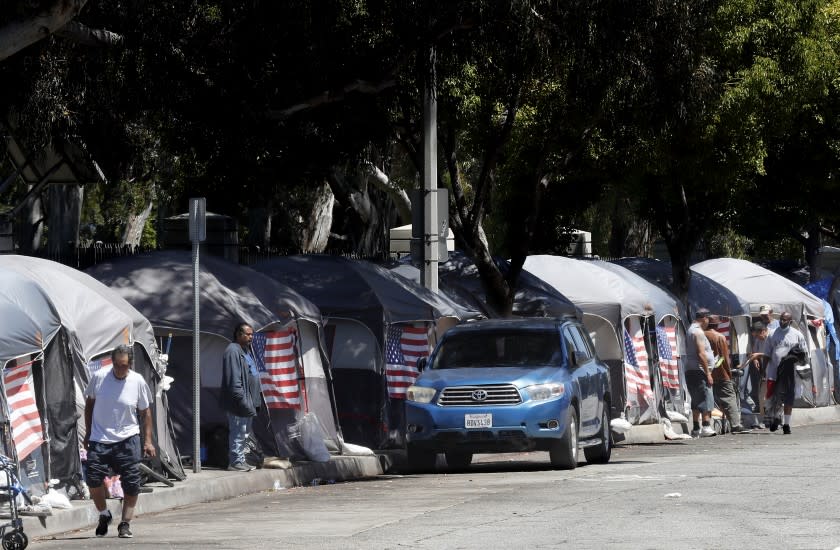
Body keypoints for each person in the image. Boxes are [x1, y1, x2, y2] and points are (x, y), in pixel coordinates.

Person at [84, 344, 156, 539]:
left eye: (124, 366)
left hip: (128, 438)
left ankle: (125, 523)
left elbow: (145, 412)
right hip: (100, 438)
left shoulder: (137, 381)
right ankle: (104, 514)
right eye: (116, 365)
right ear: (112, 362)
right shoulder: (99, 377)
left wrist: (148, 441)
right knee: (92, 478)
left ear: (130, 364)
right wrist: (88, 432)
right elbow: (89, 405)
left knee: (132, 483)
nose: (119, 369)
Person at [220, 322, 262, 471]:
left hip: (248, 401)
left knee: (244, 433)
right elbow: (234, 380)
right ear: (239, 334)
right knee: (238, 431)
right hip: (238, 402)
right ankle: (235, 462)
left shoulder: (245, 350)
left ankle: (241, 460)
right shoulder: (233, 350)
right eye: (248, 334)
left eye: (252, 334)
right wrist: (242, 400)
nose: (251, 337)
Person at [705, 316, 750, 433]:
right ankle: (735, 424)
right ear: (717, 325)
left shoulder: (701, 335)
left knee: (708, 399)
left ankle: (706, 425)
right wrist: (727, 372)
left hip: (704, 372)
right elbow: (723, 358)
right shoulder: (719, 337)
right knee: (729, 398)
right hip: (720, 372)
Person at [766, 311, 808, 434]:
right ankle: (776, 418)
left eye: (785, 320)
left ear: (790, 321)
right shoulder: (772, 334)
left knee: (789, 398)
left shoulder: (797, 335)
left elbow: (804, 354)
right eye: (781, 319)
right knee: (776, 397)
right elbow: (767, 354)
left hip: (791, 373)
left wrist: (801, 364)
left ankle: (786, 425)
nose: (782, 322)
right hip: (775, 371)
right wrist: (764, 370)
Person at [685, 308, 717, 437]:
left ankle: (696, 428)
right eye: (708, 319)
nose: (709, 321)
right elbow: (701, 353)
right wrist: (708, 373)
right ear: (704, 318)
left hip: (691, 369)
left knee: (696, 399)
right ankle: (705, 426)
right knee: (705, 397)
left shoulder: (690, 329)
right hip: (699, 370)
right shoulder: (698, 332)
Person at [745, 321, 771, 428]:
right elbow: (754, 351)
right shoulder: (758, 340)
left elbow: (775, 354)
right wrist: (755, 358)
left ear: (764, 331)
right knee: (762, 397)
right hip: (765, 372)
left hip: (775, 371)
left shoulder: (773, 338)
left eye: (758, 335)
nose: (757, 338)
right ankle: (766, 419)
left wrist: (759, 354)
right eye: (755, 336)